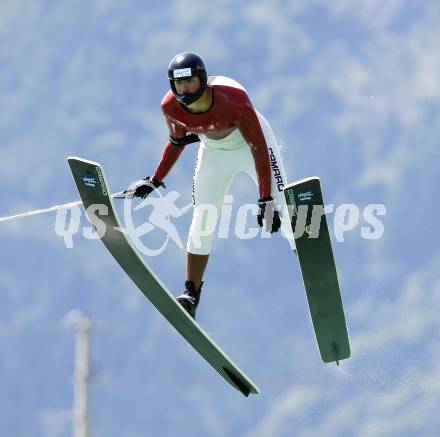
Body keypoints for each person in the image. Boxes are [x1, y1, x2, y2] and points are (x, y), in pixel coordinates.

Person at [128, 52, 294, 319]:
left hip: (250, 145)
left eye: (189, 82)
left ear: (202, 79)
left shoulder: (234, 98)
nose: (183, 89)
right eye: (178, 84)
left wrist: (265, 199)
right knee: (202, 219)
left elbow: (259, 148)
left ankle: (302, 245)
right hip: (213, 150)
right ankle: (191, 294)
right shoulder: (170, 106)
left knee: (282, 208)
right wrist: (154, 181)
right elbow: (177, 143)